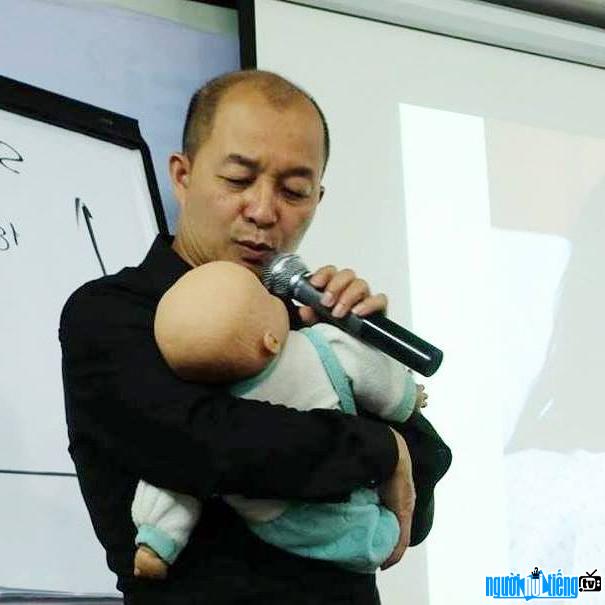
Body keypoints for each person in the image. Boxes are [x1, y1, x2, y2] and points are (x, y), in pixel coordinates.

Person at [59, 69, 451, 605]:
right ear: (183, 175)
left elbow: (417, 500)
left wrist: (356, 355)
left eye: (295, 190)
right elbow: (207, 444)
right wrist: (381, 447)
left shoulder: (308, 325)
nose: (265, 212)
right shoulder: (110, 313)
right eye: (239, 180)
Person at [131, 260, 429, 579]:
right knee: (364, 530)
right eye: (266, 297)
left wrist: (156, 538)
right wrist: (407, 398)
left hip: (272, 522)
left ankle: (156, 545)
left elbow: (174, 479)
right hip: (331, 511)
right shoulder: (319, 347)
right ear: (271, 340)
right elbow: (373, 377)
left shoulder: (209, 405)